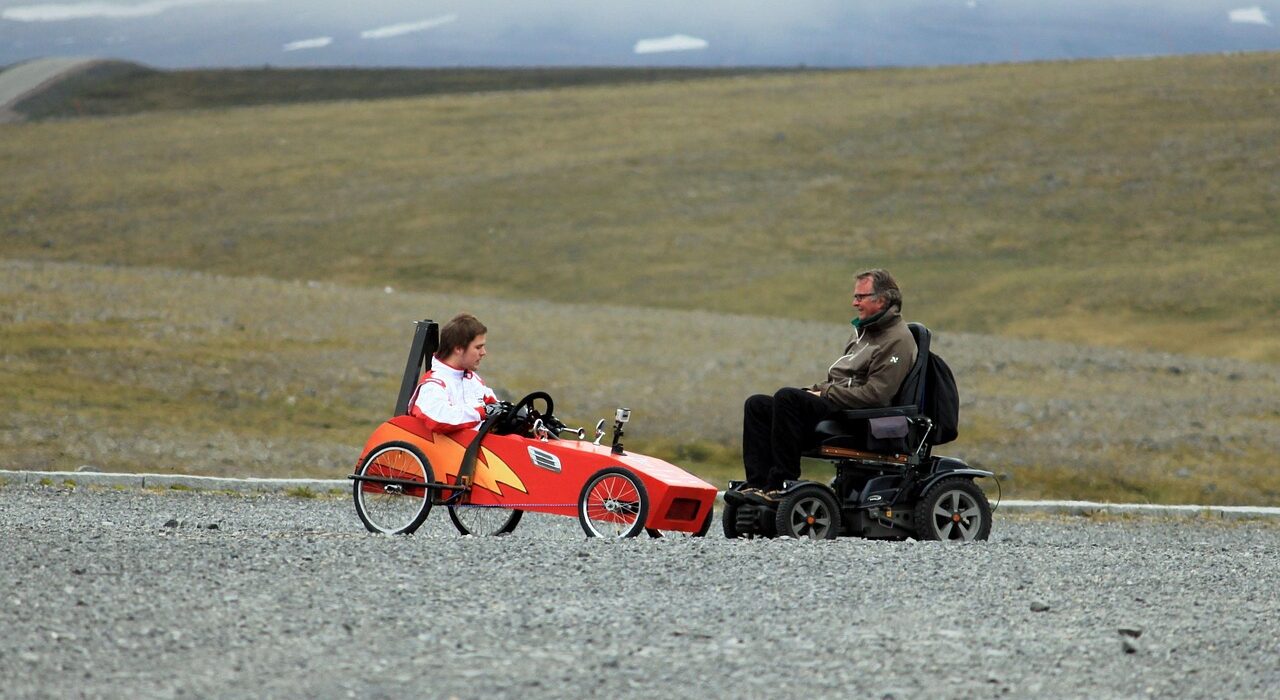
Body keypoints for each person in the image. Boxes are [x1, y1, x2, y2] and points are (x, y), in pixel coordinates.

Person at [735, 269, 917, 502]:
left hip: (860, 418)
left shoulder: (898, 340)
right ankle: (757, 485)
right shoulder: (864, 333)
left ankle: (782, 484)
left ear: (881, 300)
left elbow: (878, 395)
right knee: (757, 405)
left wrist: (825, 393)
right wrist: (816, 391)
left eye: (860, 297)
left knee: (787, 398)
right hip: (840, 405)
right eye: (855, 297)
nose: (854, 303)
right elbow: (840, 379)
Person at [407, 313, 500, 433]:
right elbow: (439, 419)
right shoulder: (433, 385)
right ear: (458, 348)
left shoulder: (472, 379)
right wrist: (482, 412)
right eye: (478, 347)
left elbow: (493, 404)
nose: (483, 352)